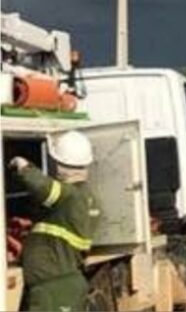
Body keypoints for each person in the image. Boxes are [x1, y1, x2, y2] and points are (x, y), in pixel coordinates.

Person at [7, 130, 100, 312]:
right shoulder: (87, 197)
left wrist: (21, 164)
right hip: (63, 283)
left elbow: (41, 186)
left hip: (53, 287)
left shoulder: (69, 195)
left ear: (59, 165)